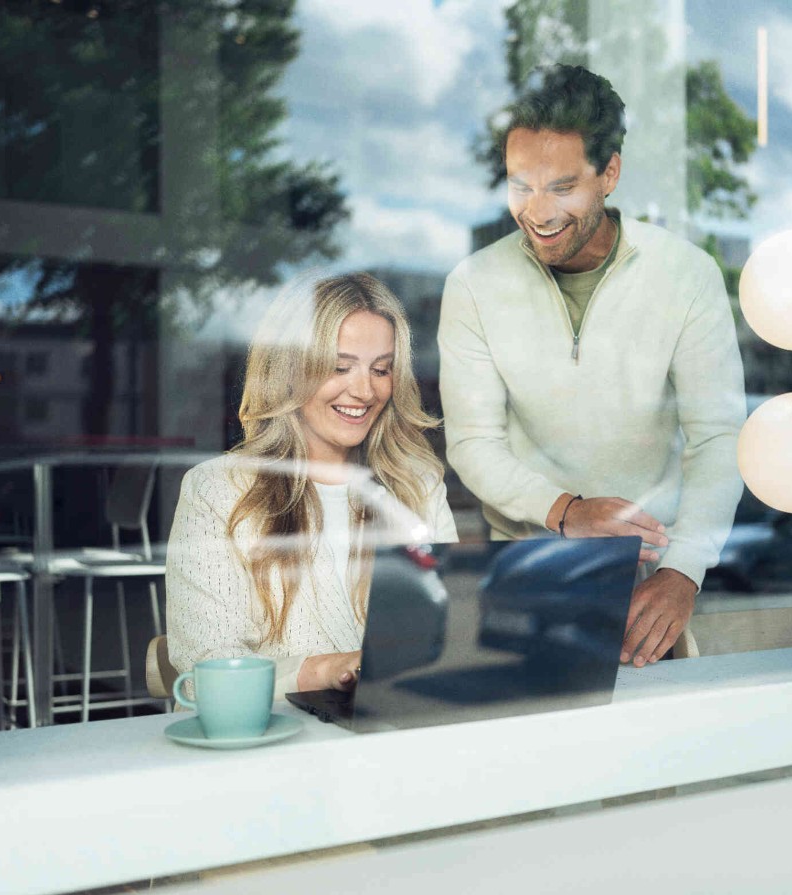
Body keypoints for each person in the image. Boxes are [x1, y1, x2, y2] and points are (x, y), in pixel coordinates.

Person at [439, 64, 746, 668]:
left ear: (609, 174)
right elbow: (473, 443)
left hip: (651, 586)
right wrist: (567, 510)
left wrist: (684, 569)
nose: (537, 211)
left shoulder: (686, 275)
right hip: (525, 574)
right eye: (520, 185)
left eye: (561, 186)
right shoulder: (474, 284)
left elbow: (718, 437)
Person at [166, 273, 458, 699]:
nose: (364, 390)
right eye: (339, 368)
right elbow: (205, 666)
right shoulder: (216, 491)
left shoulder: (418, 485)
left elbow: (442, 639)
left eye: (381, 370)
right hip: (270, 746)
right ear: (287, 371)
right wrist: (323, 671)